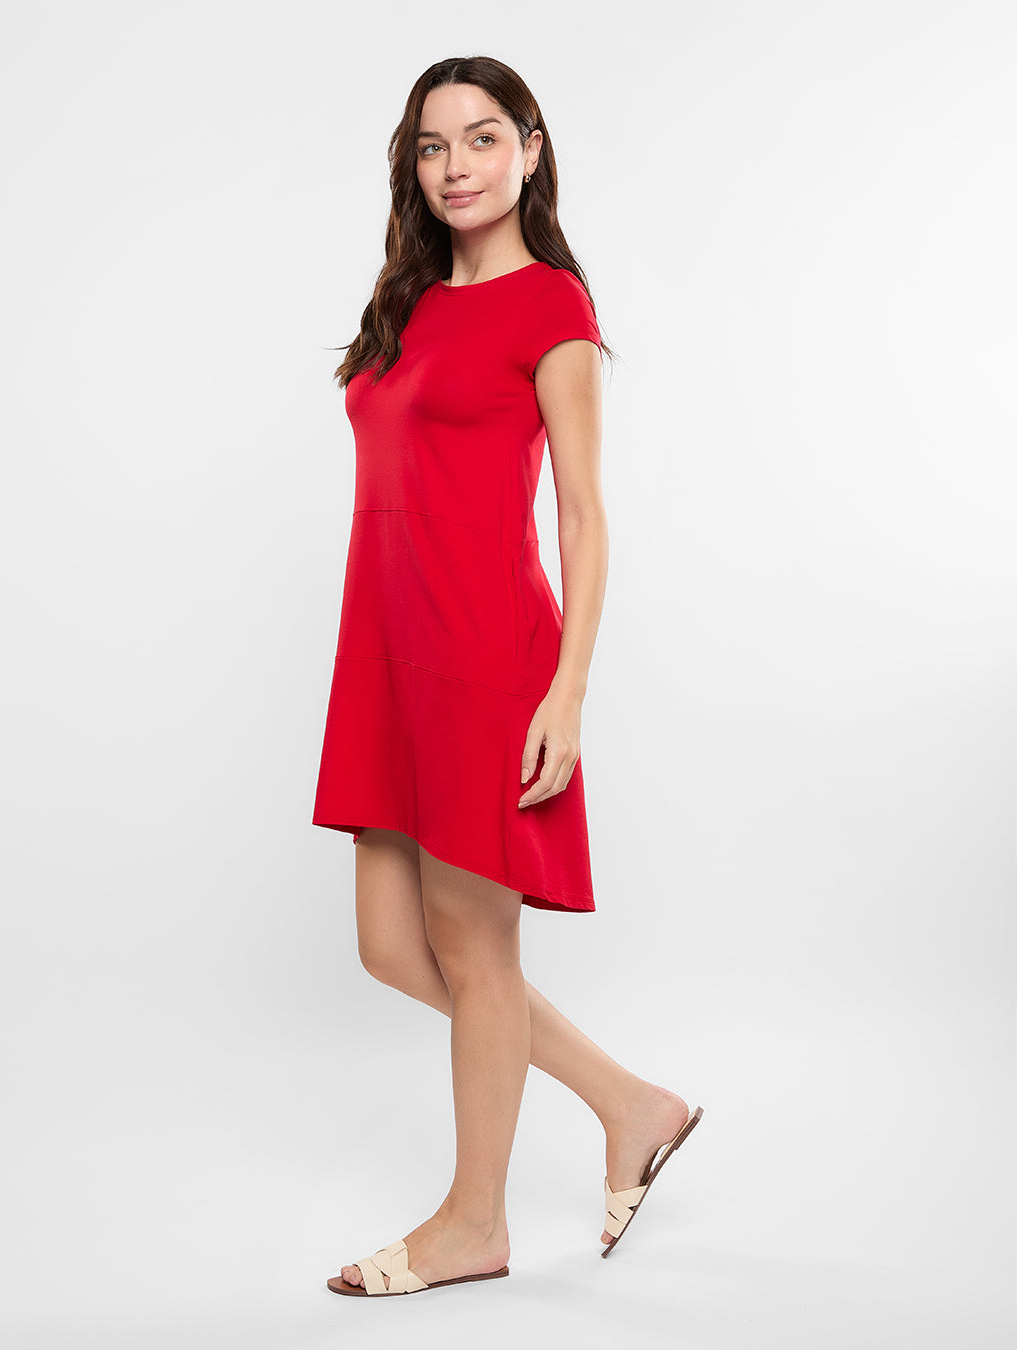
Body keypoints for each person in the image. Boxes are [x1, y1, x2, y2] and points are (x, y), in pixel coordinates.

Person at [312, 54, 703, 1298]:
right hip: (386, 654)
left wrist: (568, 692)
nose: (456, 166)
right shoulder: (411, 301)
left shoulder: (553, 306)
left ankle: (473, 1222)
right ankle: (631, 1104)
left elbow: (584, 515)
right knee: (391, 945)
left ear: (531, 150)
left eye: (483, 138)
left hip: (487, 655)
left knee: (476, 953)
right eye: (433, 146)